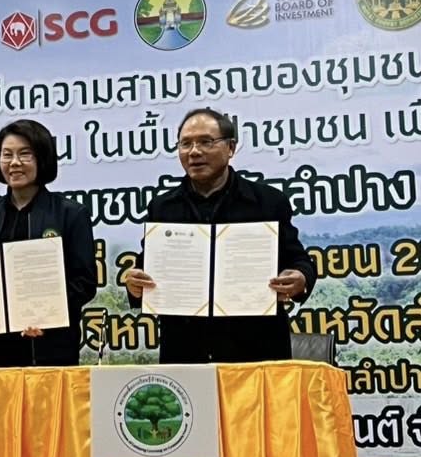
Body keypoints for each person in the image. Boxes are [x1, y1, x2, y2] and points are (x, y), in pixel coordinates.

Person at [124, 108, 316, 363]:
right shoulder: (163, 207)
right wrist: (135, 284)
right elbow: (147, 267)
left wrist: (300, 278)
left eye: (206, 142)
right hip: (185, 352)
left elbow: (299, 260)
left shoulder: (268, 202)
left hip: (255, 351)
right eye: (185, 144)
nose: (194, 152)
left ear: (231, 148)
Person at [0, 119, 97, 367]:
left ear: (42, 158)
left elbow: (84, 282)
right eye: (7, 155)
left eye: (24, 154)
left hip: (51, 348)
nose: (14, 163)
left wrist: (43, 314)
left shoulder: (70, 214)